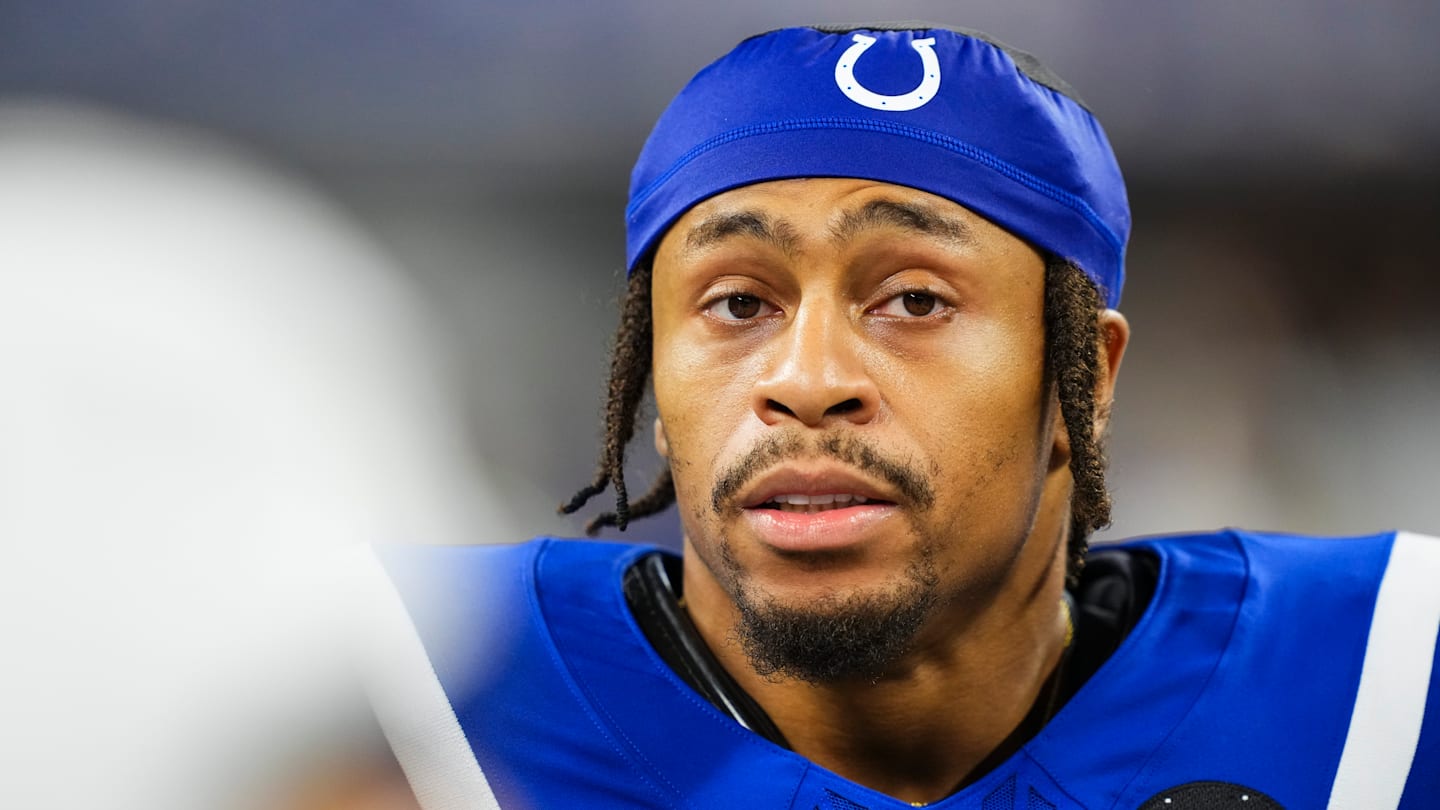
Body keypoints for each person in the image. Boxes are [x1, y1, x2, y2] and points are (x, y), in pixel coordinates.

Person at [364, 23, 1440, 809]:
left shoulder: (1381, 686)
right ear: (654, 380)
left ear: (1085, 385)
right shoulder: (402, 697)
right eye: (739, 303)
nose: (808, 377)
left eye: (915, 300)